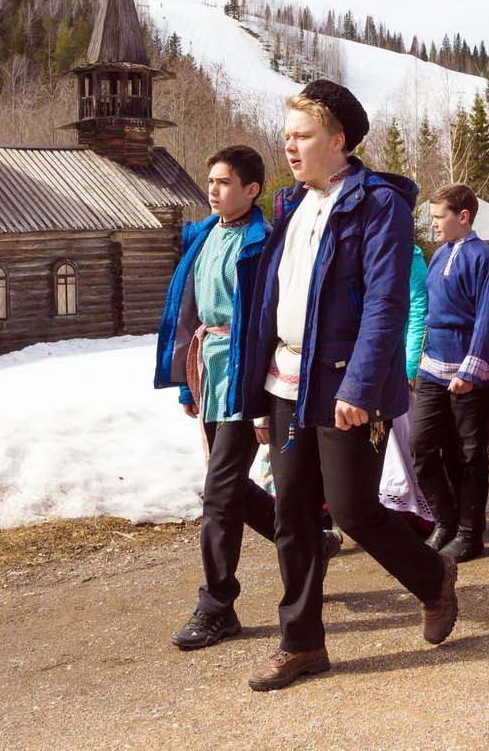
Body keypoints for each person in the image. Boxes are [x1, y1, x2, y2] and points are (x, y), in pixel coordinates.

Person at [241, 80, 457, 692]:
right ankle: (302, 644)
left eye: (303, 135)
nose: (290, 146)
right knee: (292, 516)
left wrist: (360, 388)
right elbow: (270, 303)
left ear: (338, 140)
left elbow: (386, 303)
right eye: (286, 136)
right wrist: (256, 395)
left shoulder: (379, 205)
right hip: (286, 383)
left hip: (343, 386)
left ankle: (432, 577)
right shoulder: (290, 205)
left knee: (355, 510)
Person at [155, 145, 278, 649]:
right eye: (211, 181)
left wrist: (264, 402)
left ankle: (217, 605)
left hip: (246, 377)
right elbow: (187, 311)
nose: (213, 189)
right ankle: (306, 536)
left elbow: (270, 324)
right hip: (209, 370)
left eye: (224, 182)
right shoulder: (204, 235)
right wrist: (188, 383)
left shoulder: (264, 243)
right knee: (225, 485)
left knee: (219, 491)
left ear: (251, 190)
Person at [413, 182, 489, 561]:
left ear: (463, 216)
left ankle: (470, 533)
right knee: (421, 446)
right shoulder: (439, 255)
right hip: (432, 367)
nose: (434, 224)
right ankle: (445, 521)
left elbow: (488, 315)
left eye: (440, 217)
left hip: (468, 372)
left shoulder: (484, 258)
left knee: (468, 455)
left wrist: (471, 369)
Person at [379, 248, 434, 526]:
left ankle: (413, 510)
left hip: (398, 361)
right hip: (370, 359)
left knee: (404, 437)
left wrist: (410, 364)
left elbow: (419, 310)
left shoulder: (409, 255)